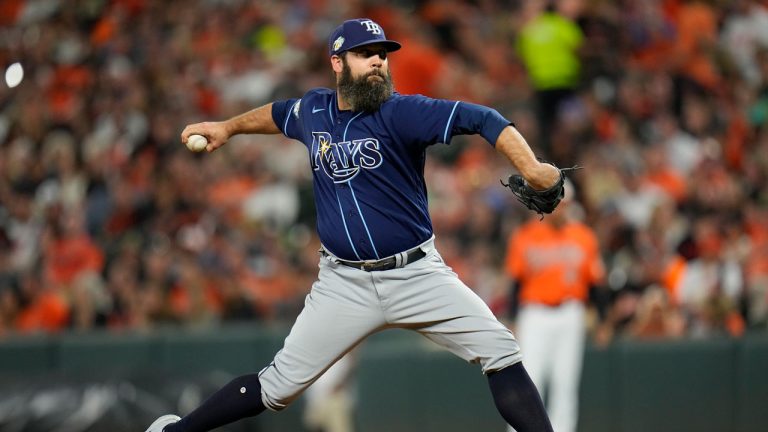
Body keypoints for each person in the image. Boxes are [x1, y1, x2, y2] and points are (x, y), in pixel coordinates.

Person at [146, 18, 562, 432]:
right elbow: (277, 114)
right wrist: (227, 127)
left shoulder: (403, 112)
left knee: (501, 351)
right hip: (343, 284)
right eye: (365, 54)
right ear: (337, 63)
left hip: (417, 273)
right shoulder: (313, 109)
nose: (378, 61)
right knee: (277, 389)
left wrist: (531, 166)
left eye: (382, 54)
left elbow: (485, 118)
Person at [503, 183, 604, 432]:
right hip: (534, 314)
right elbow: (515, 283)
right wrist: (513, 319)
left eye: (565, 204)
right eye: (557, 204)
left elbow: (595, 284)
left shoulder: (583, 236)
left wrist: (601, 319)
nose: (562, 210)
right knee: (529, 379)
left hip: (570, 312)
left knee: (565, 383)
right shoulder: (525, 235)